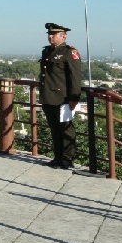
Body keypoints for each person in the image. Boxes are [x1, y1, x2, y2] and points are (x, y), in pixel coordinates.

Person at [39, 22, 84, 170]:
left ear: (63, 36)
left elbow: (75, 78)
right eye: (49, 34)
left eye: (54, 34)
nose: (50, 37)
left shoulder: (69, 52)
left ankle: (67, 159)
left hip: (63, 98)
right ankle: (57, 157)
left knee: (66, 130)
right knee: (54, 129)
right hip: (48, 97)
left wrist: (74, 99)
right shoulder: (47, 51)